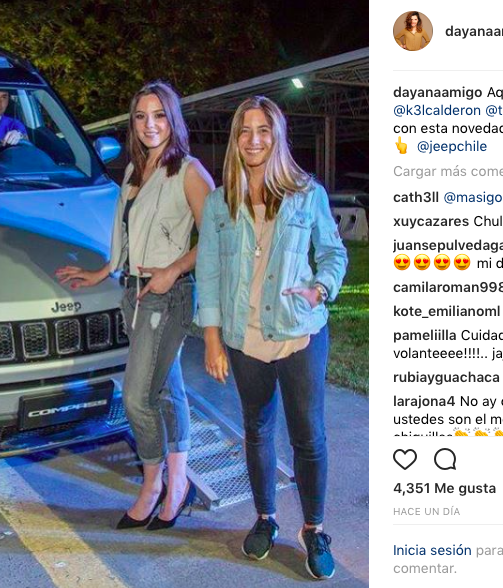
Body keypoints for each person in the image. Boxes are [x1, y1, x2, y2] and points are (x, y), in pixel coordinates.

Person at [196, 96, 347, 579]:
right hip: (245, 338)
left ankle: (314, 529)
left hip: (299, 332)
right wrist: (213, 339)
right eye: (245, 130)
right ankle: (265, 518)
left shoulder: (307, 194)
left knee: (308, 435)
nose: (254, 139)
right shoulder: (220, 202)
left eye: (263, 130)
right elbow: (209, 272)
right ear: (235, 139)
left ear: (277, 136)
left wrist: (320, 288)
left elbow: (334, 254)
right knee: (257, 430)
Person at [55, 81, 214, 530]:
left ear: (173, 119)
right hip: (135, 293)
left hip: (168, 295)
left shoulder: (189, 171)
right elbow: (126, 232)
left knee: (137, 397)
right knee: (168, 389)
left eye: (159, 115)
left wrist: (173, 269)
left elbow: (217, 236)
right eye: (141, 116)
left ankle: (152, 483)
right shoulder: (134, 170)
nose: (150, 124)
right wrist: (104, 271)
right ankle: (178, 483)